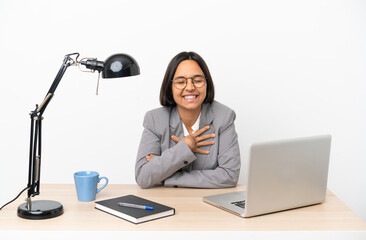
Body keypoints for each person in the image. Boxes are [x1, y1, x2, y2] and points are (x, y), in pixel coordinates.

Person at [135, 51, 240, 188]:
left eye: (197, 81)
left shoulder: (224, 117)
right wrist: (185, 148)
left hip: (210, 203)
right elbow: (143, 176)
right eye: (180, 82)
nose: (190, 88)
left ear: (206, 83)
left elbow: (229, 176)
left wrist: (166, 177)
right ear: (170, 86)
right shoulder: (155, 120)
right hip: (166, 202)